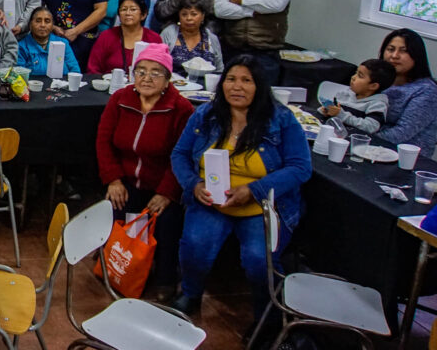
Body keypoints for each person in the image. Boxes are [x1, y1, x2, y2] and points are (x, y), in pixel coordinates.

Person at [170, 56, 311, 323]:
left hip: (261, 205)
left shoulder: (282, 120)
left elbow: (300, 167)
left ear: (260, 86)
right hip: (211, 199)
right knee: (195, 245)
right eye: (231, 79)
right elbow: (179, 153)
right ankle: (190, 293)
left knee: (259, 259)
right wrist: (193, 184)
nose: (237, 87)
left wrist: (254, 190)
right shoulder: (206, 114)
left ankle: (267, 316)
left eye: (247, 81)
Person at [97, 43, 193, 299]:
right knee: (116, 210)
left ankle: (165, 279)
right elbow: (104, 141)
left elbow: (182, 156)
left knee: (167, 223)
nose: (146, 78)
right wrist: (113, 179)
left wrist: (167, 192)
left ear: (167, 80)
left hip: (161, 184)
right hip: (126, 180)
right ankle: (119, 269)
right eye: (140, 71)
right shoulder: (120, 99)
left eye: (155, 73)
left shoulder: (181, 109)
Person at [375, 29, 437, 157]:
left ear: (416, 56)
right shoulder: (377, 81)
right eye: (390, 49)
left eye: (404, 51)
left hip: (405, 159)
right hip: (374, 148)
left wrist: (362, 137)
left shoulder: (427, 90)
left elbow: (401, 133)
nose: (394, 56)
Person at [86, 0, 161, 75]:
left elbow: (160, 69)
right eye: (124, 9)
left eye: (133, 9)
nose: (128, 13)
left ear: (143, 14)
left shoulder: (154, 38)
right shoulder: (106, 36)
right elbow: (93, 68)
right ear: (119, 14)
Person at [320, 58, 395, 135]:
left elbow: (370, 127)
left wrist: (341, 115)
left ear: (373, 86)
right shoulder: (345, 94)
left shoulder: (377, 104)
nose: (353, 77)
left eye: (360, 76)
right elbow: (333, 113)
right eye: (356, 73)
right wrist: (326, 111)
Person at [158, 0, 224, 76]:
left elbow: (219, 70)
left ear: (202, 16)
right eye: (184, 14)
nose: (189, 18)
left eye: (194, 14)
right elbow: (157, 63)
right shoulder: (169, 33)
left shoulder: (211, 37)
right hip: (174, 85)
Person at [16, 6, 81, 77]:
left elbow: (75, 71)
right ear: (30, 24)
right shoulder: (21, 46)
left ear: (52, 25)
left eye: (47, 21)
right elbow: (19, 76)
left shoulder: (63, 43)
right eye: (38, 21)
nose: (43, 25)